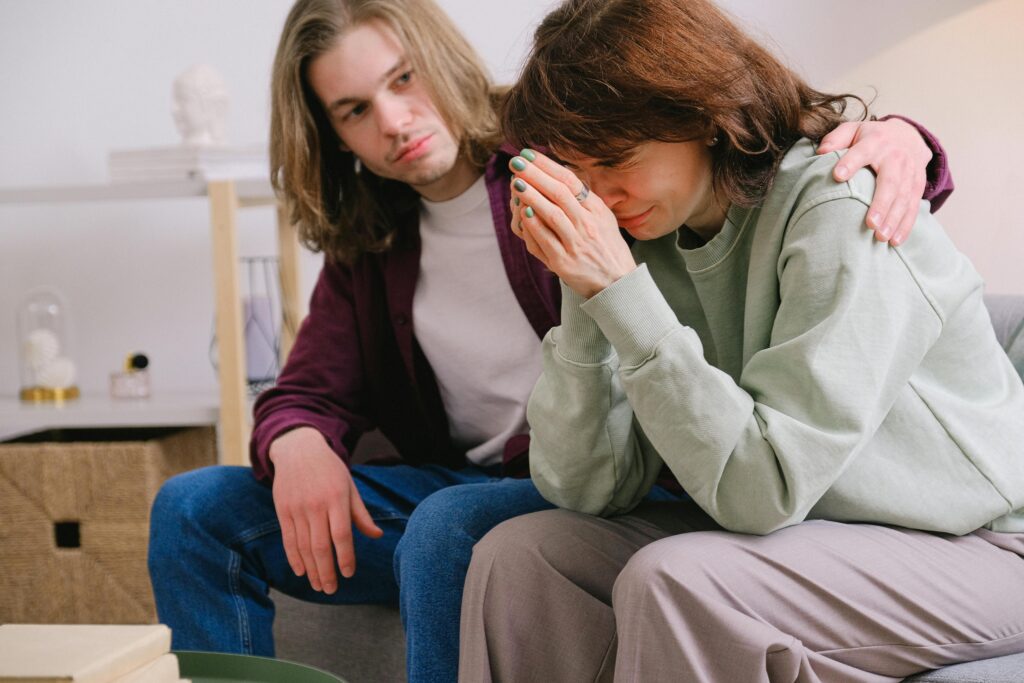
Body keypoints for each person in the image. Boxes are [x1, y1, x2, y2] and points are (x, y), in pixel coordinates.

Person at [146, 0, 951, 681]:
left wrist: (905, 139)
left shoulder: (567, 154)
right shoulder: (373, 235)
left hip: (623, 473)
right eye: (354, 110)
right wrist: (294, 441)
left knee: (450, 524)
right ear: (331, 133)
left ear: (440, 59)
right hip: (479, 479)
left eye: (402, 78)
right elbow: (307, 388)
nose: (393, 121)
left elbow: (763, 156)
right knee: (192, 507)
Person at [458, 0, 1024, 681]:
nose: (598, 195)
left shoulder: (839, 207)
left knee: (679, 579)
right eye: (578, 171)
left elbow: (764, 488)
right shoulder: (645, 229)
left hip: (982, 546)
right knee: (520, 556)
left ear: (697, 115)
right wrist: (586, 291)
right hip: (815, 533)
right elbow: (586, 487)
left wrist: (620, 292)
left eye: (614, 159)